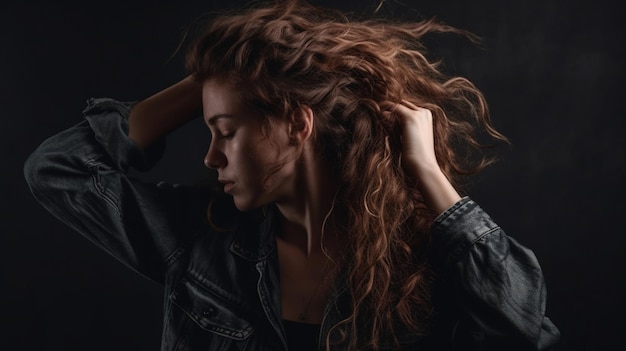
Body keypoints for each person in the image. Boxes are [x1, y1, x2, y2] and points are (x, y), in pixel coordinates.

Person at [23, 0, 560, 350]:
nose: (211, 158)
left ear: (298, 123)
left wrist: (425, 171)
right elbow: (57, 171)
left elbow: (520, 334)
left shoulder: (417, 262)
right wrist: (211, 80)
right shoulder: (197, 242)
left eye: (226, 131)